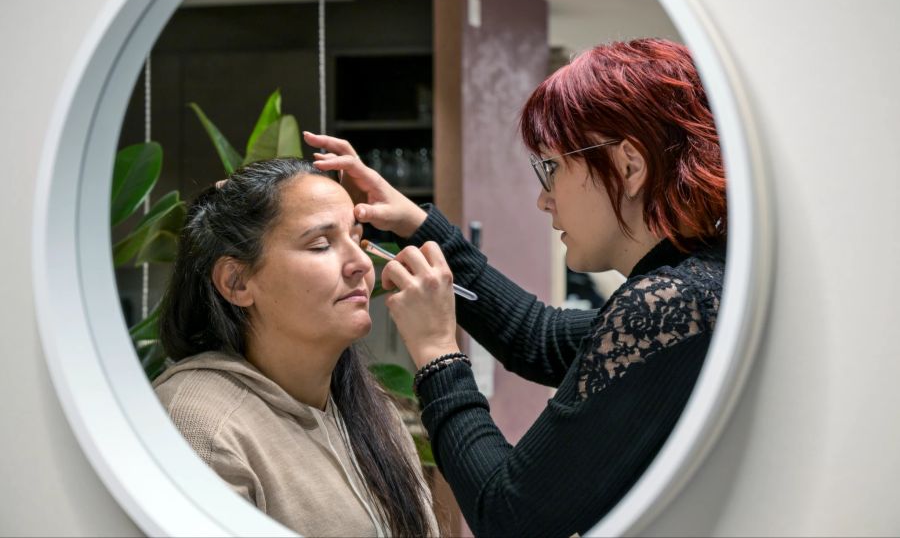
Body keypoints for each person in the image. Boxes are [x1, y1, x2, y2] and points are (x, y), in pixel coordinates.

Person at [307, 37, 727, 537]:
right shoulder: (700, 282)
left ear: (629, 166)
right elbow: (540, 338)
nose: (543, 200)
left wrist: (438, 352)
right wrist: (419, 225)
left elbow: (509, 515)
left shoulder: (670, 305)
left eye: (552, 168)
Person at [152, 158, 438, 537]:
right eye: (321, 245)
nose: (360, 264)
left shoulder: (373, 411)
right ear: (237, 282)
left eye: (357, 238)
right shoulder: (198, 423)